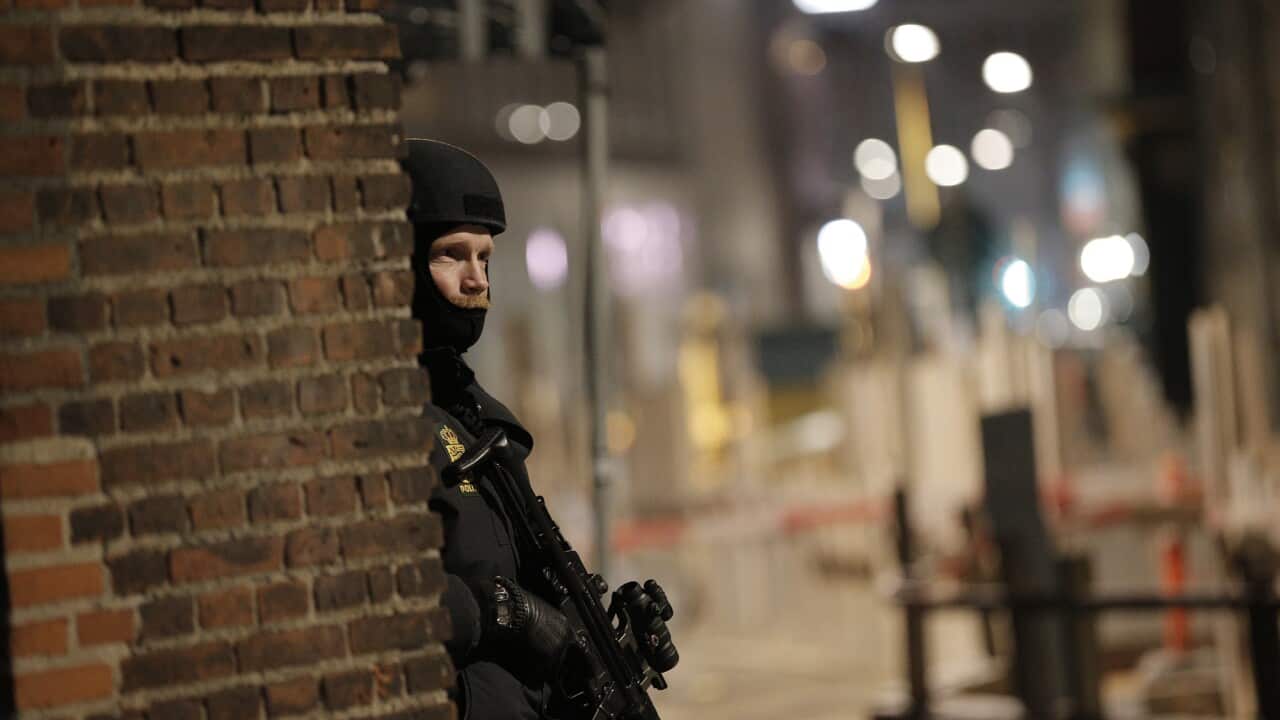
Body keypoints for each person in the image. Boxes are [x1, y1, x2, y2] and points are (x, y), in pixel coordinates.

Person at [403, 138, 576, 720]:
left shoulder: (475, 415)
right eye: (451, 255)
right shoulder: (386, 420)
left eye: (485, 258)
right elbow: (374, 588)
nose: (477, 280)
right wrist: (496, 612)